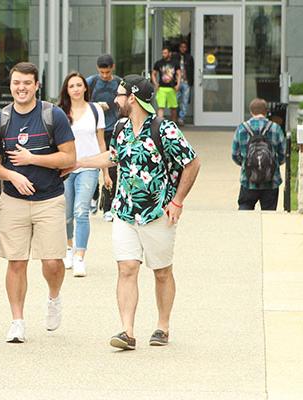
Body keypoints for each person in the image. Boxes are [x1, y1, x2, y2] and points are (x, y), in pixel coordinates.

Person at [72, 74, 200, 350]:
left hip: (158, 213)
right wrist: (79, 162)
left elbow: (192, 162)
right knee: (127, 268)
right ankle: (127, 332)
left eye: (119, 95)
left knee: (162, 272)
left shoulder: (164, 130)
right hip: (125, 212)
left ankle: (162, 326)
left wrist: (177, 201)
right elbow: (113, 156)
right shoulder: (120, 127)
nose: (114, 99)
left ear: (132, 97)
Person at [0, 62, 76, 343]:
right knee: (16, 262)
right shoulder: (0, 120)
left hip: (49, 198)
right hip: (13, 201)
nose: (21, 88)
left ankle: (54, 297)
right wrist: (13, 175)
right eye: (16, 83)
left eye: (26, 83)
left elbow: (69, 158)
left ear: (37, 85)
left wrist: (32, 159)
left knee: (51, 262)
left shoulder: (53, 115)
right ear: (10, 86)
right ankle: (17, 321)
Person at [58, 71, 106, 277]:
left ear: (85, 87)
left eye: (79, 85)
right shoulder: (60, 112)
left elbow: (101, 142)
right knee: (67, 214)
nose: (76, 89)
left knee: (81, 211)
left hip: (89, 167)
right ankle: (68, 249)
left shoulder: (95, 110)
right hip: (66, 170)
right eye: (72, 86)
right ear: (66, 90)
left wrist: (107, 172)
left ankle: (80, 257)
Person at [231, 98, 286, 210]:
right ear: (266, 112)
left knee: (244, 210)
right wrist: (271, 165)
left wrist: (247, 164)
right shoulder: (275, 128)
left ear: (251, 112)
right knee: (269, 215)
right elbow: (283, 154)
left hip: (248, 180)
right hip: (271, 181)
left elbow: (235, 154)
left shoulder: (242, 129)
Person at [86, 54, 120, 221]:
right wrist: (95, 106)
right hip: (94, 129)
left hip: (113, 129)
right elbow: (81, 102)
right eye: (102, 72)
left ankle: (108, 206)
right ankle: (94, 195)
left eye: (107, 72)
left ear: (112, 68)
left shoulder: (119, 83)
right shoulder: (91, 82)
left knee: (112, 169)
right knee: (92, 165)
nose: (105, 75)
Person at [151, 47, 182, 121]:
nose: (163, 55)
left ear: (169, 53)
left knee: (173, 107)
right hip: (161, 88)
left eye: (165, 53)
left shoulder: (175, 63)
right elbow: (153, 73)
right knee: (161, 107)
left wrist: (178, 84)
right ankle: (159, 124)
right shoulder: (159, 63)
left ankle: (173, 123)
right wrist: (155, 83)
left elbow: (179, 74)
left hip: (172, 88)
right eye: (163, 53)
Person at [175, 41, 194, 126]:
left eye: (184, 47)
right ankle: (175, 117)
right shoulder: (175, 57)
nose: (183, 48)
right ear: (179, 48)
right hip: (177, 82)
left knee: (184, 101)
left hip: (186, 82)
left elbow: (192, 70)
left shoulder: (189, 57)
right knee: (176, 100)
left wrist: (191, 82)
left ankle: (181, 118)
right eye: (181, 47)